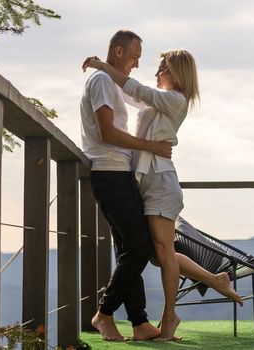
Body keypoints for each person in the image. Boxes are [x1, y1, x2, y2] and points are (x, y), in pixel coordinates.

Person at [83, 49, 243, 341]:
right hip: (146, 182)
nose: (157, 73)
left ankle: (169, 318)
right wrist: (106, 74)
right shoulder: (159, 100)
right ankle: (214, 279)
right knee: (158, 255)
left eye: (162, 68)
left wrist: (101, 65)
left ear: (177, 73)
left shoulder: (174, 99)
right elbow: (130, 94)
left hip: (160, 183)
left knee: (162, 252)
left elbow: (134, 89)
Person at [81, 30, 170, 342]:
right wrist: (152, 146)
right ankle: (104, 315)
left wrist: (102, 66)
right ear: (118, 52)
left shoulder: (108, 80)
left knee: (128, 249)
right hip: (110, 175)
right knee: (140, 247)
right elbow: (108, 133)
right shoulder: (101, 83)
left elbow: (138, 94)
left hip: (118, 174)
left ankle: (139, 322)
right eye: (134, 57)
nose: (136, 64)